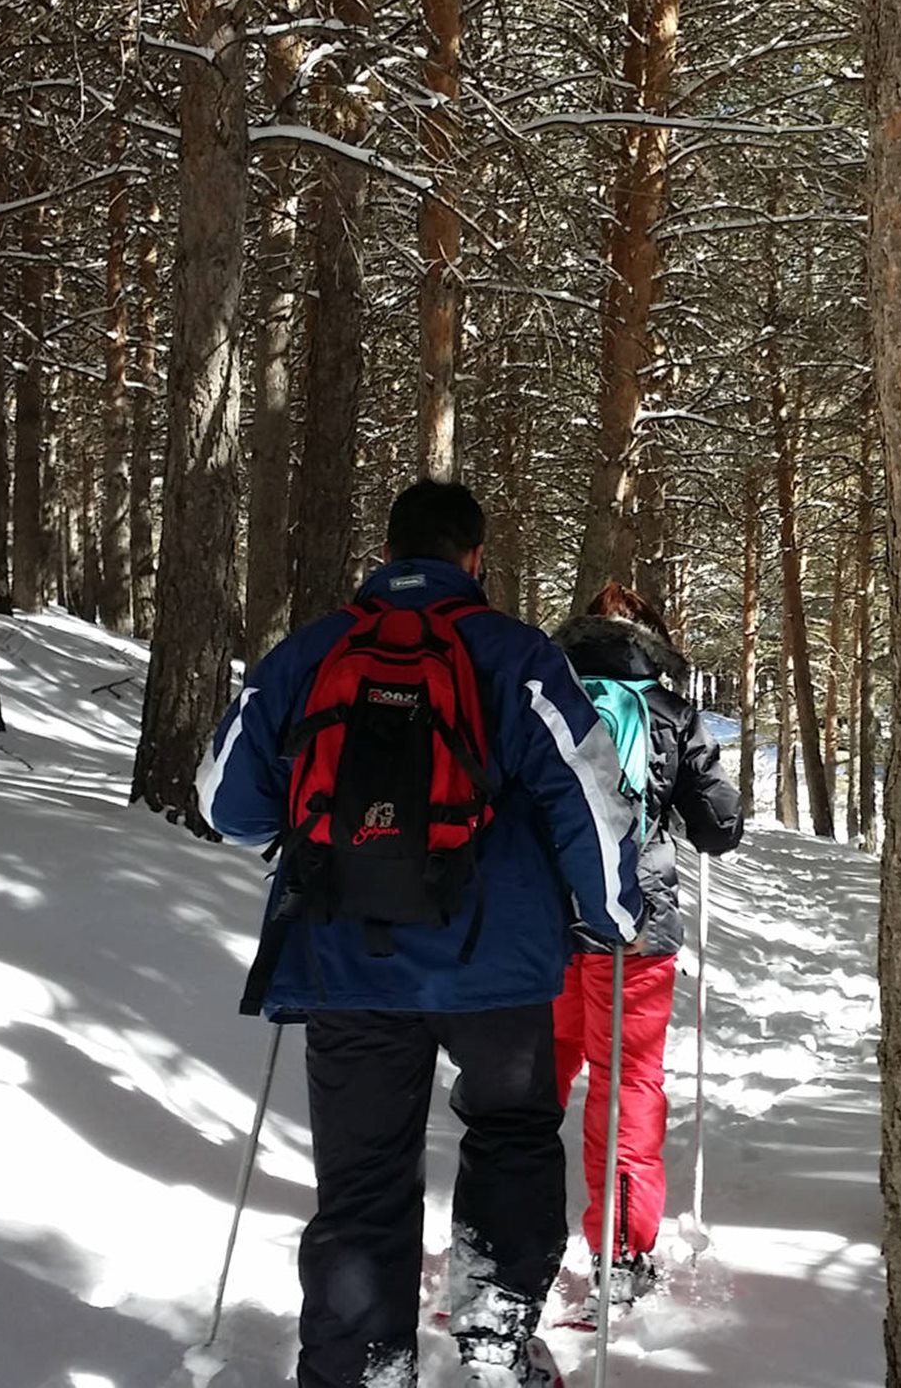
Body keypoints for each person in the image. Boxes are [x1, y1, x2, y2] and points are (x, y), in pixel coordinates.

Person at [197, 481, 643, 1388]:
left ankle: (360, 1366)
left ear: (388, 552)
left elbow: (226, 807)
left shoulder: (310, 652)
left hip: (345, 960)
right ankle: (494, 1342)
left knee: (362, 1182)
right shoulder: (517, 655)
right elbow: (589, 799)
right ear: (473, 558)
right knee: (512, 1135)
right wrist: (611, 917)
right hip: (497, 965)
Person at [549, 583, 743, 1313]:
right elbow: (719, 829)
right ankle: (621, 1253)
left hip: (548, 920)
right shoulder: (669, 711)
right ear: (651, 638)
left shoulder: (548, 699)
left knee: (536, 1085)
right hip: (637, 923)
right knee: (626, 1085)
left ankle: (516, 1236)